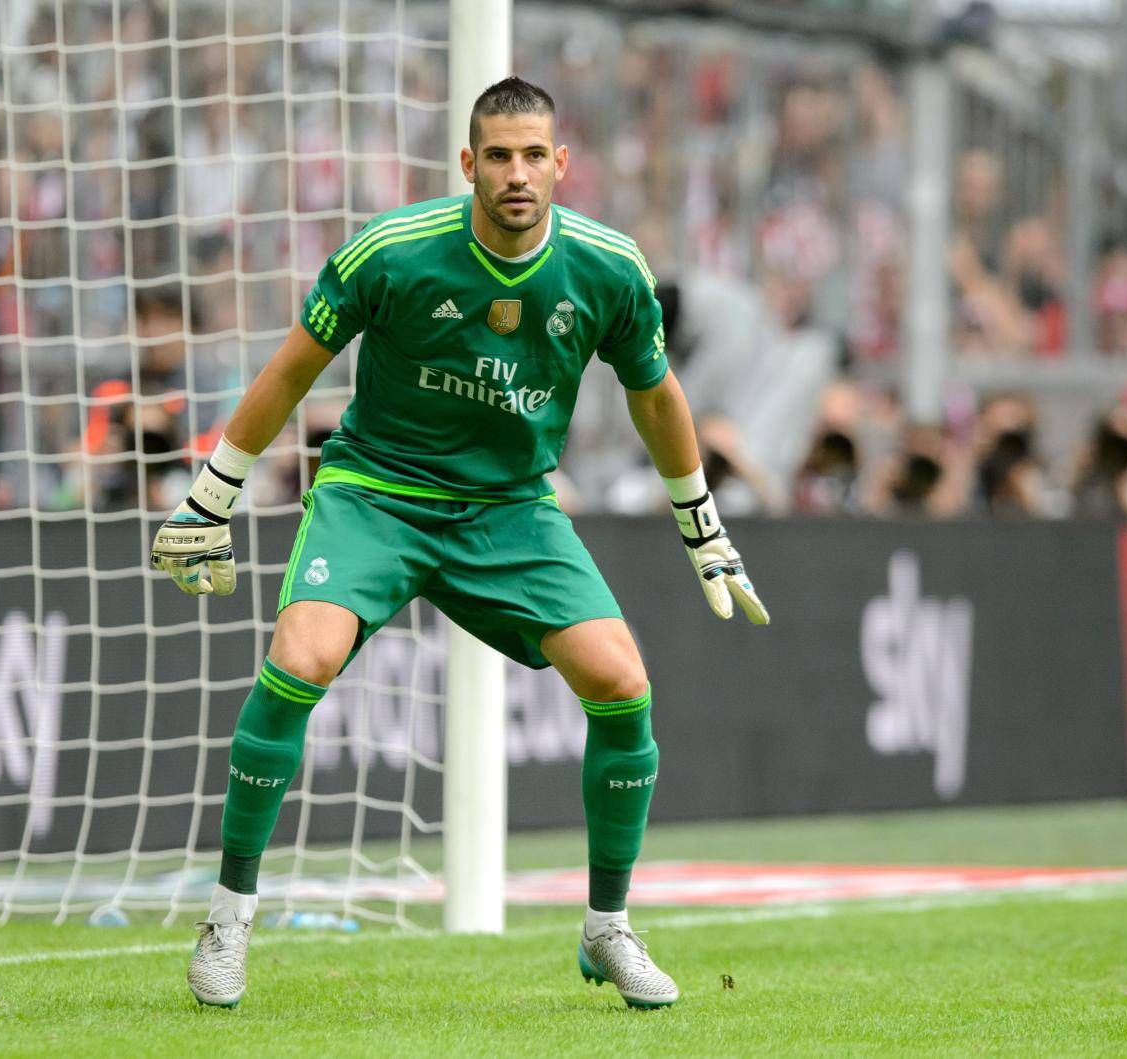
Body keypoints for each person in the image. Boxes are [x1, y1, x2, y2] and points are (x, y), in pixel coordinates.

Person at [150, 77, 770, 1011]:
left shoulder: (606, 268)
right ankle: (230, 915)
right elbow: (291, 369)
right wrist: (212, 492)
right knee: (301, 653)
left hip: (511, 510)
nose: (518, 174)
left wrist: (704, 526)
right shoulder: (392, 253)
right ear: (469, 164)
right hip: (377, 495)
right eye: (500, 156)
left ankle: (607, 929)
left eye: (535, 155)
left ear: (561, 164)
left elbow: (657, 396)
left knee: (623, 683)